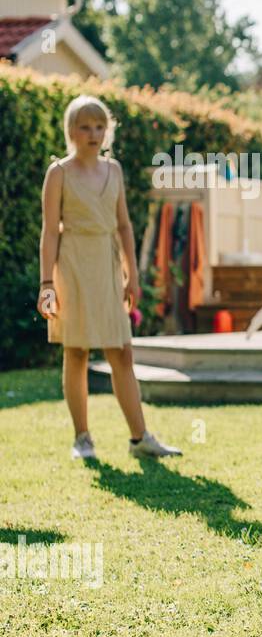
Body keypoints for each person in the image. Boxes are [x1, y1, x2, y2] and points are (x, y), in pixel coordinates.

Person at [37, 95, 181, 460]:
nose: (93, 133)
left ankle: (140, 438)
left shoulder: (114, 170)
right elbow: (50, 232)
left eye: (100, 126)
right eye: (85, 126)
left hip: (106, 262)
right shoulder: (59, 173)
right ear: (71, 130)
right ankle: (82, 439)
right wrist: (47, 285)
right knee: (77, 350)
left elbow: (124, 226)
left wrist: (132, 275)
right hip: (71, 265)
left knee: (122, 351)